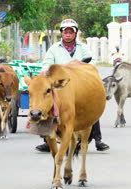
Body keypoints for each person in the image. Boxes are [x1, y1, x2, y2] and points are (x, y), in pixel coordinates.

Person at [34, 18, 110, 152]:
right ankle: (47, 139)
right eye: (65, 32)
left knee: (91, 104)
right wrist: (48, 72)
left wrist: (79, 68)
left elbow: (92, 63)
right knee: (47, 106)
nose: (68, 34)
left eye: (71, 32)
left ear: (75, 33)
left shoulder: (83, 48)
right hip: (60, 86)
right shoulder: (54, 49)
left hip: (79, 84)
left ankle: (98, 139)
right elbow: (46, 65)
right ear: (61, 33)